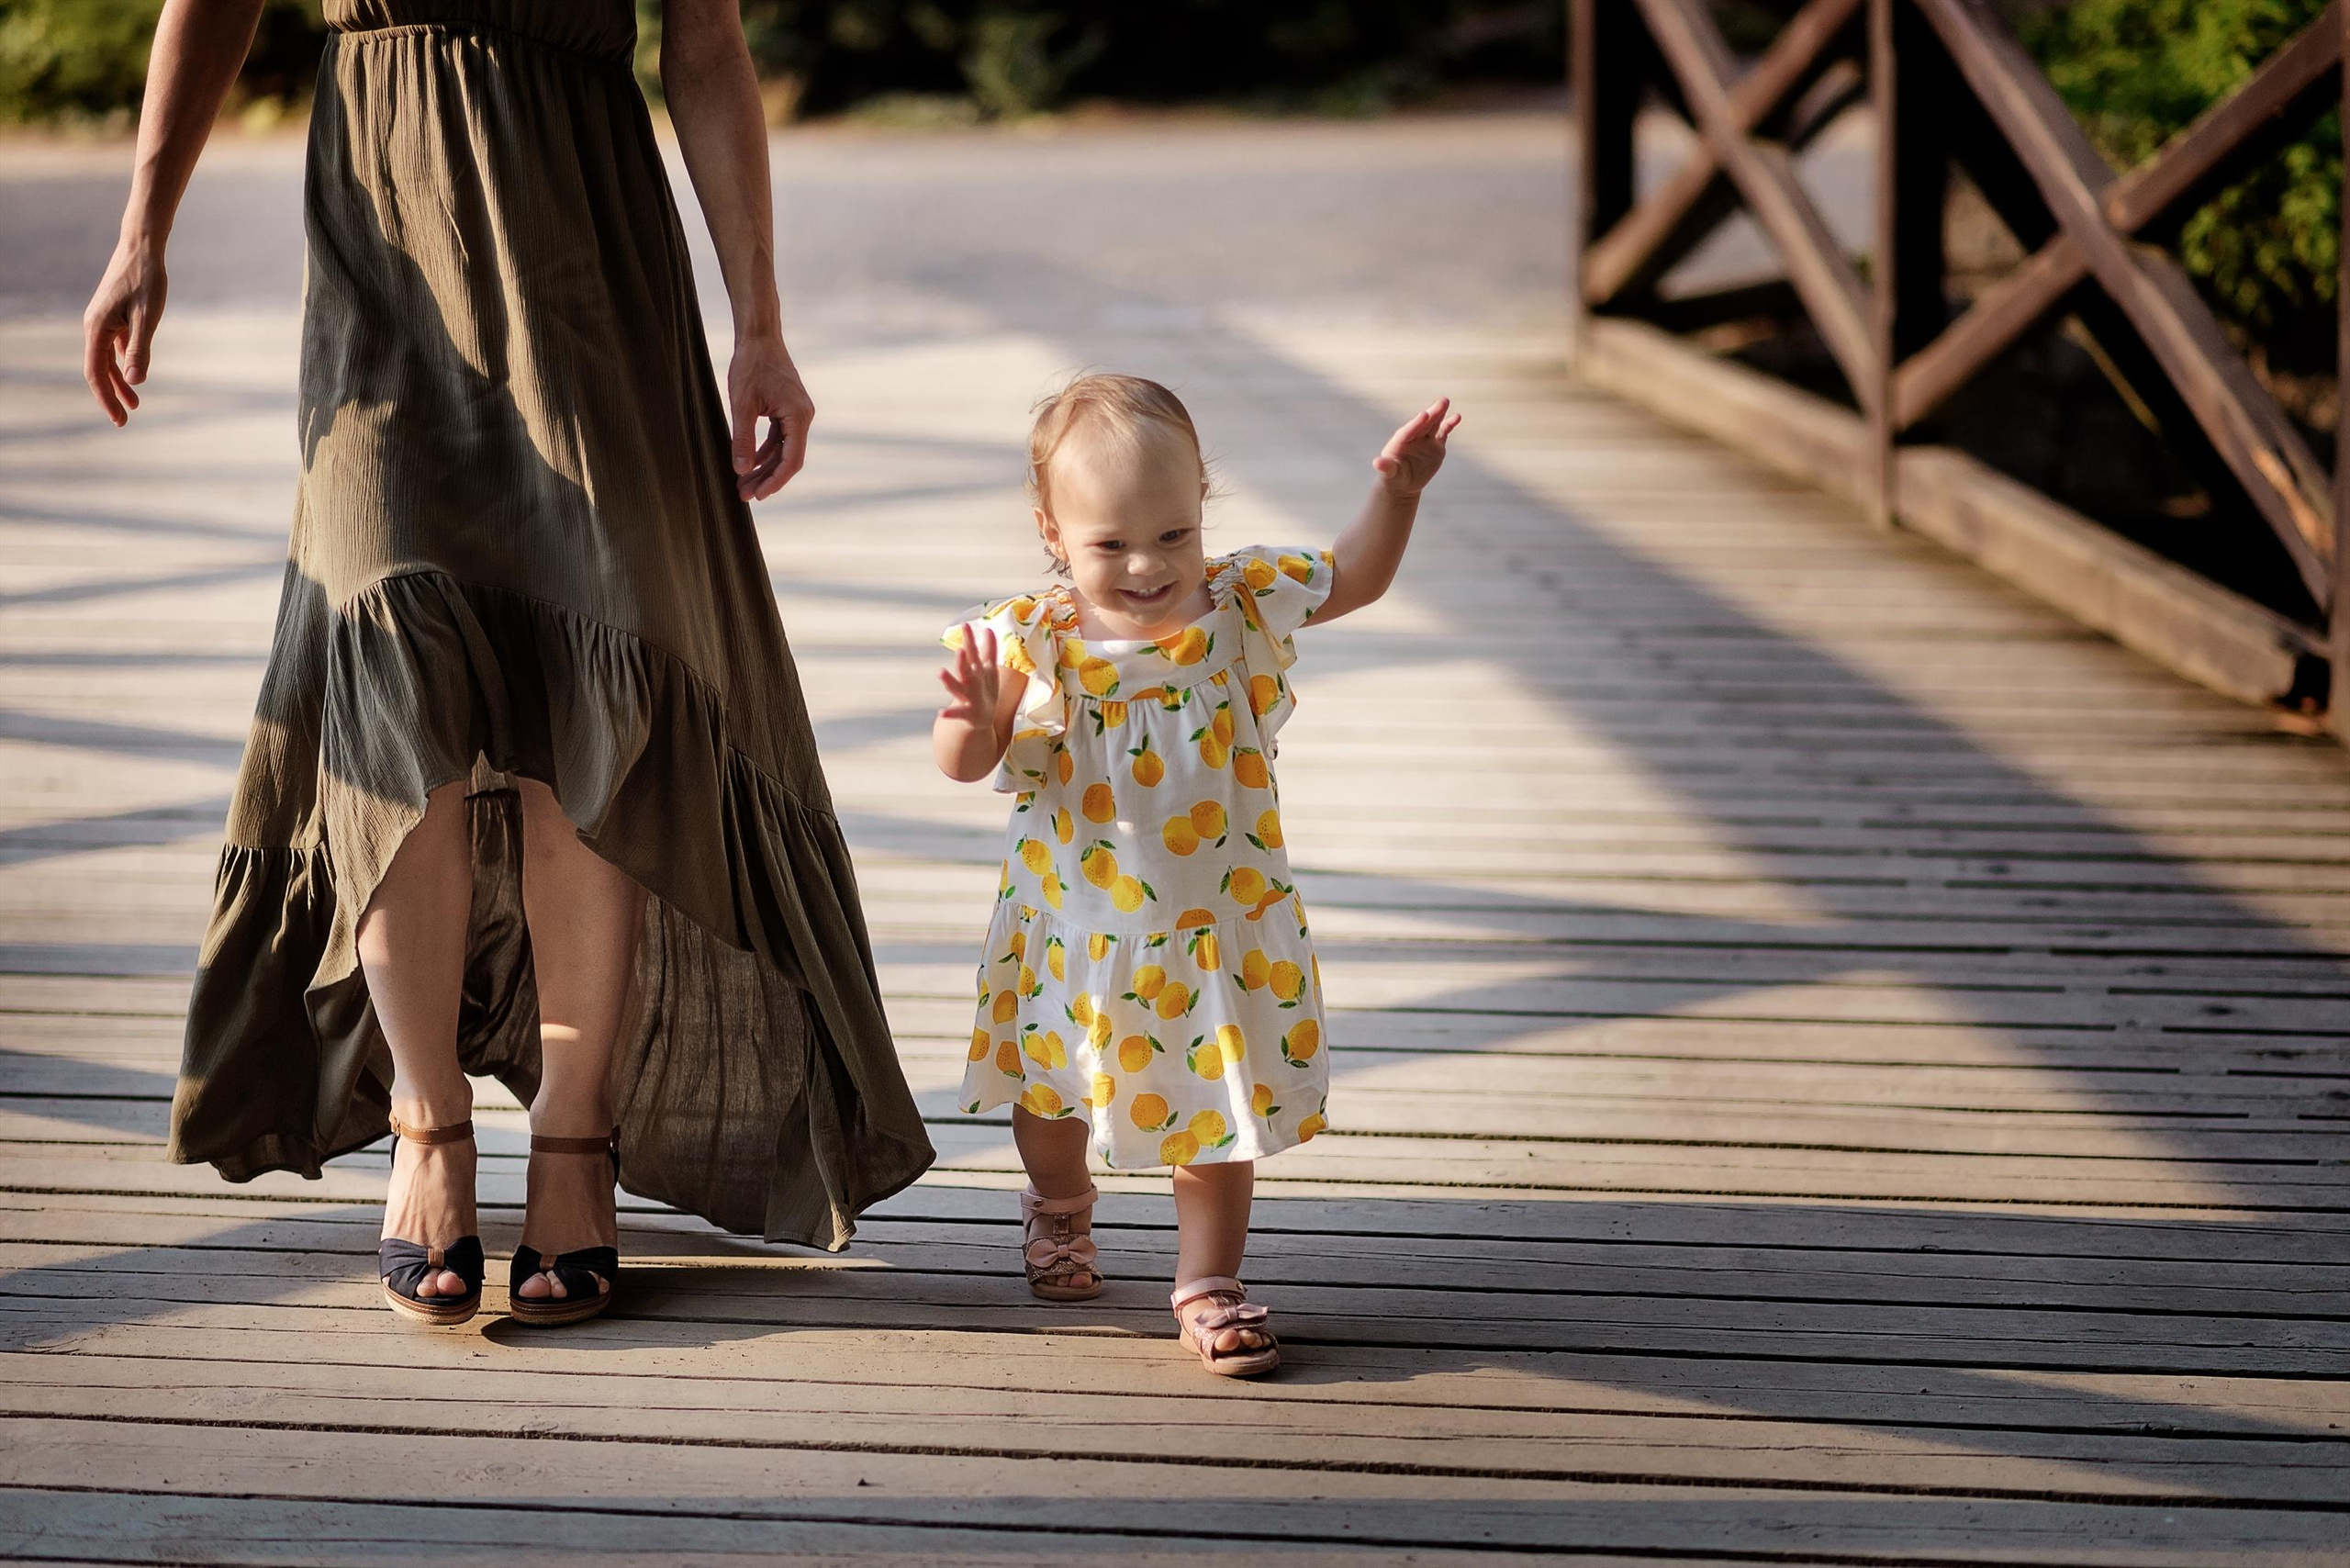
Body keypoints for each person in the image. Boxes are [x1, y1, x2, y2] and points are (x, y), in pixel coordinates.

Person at [82, 0, 932, 1327]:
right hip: (384, 262)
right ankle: (428, 1124)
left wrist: (758, 323)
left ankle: (573, 1142)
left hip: (587, 271)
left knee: (585, 692)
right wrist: (143, 229)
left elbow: (705, 46)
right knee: (381, 652)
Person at [933, 374, 1458, 1375]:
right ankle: (1059, 1206)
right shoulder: (1031, 641)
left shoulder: (1242, 602)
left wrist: (1398, 492)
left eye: (1173, 535)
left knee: (1216, 1109)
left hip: (1219, 927)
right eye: (1110, 543)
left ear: (1202, 507)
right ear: (1052, 529)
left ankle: (1208, 1281)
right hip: (1078, 930)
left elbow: (1354, 577)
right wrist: (968, 713)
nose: (1146, 565)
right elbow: (963, 765)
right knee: (1052, 1104)